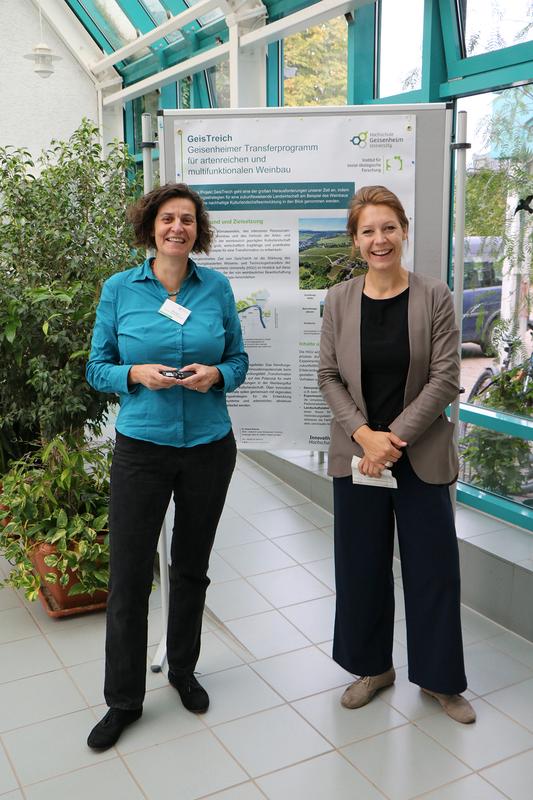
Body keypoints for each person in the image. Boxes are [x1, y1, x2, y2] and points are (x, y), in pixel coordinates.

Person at [85, 183, 248, 749]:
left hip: (208, 445)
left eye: (187, 220)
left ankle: (182, 669)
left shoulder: (218, 287)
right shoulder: (119, 289)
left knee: (191, 567)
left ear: (197, 230)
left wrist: (218, 375)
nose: (177, 228)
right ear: (150, 227)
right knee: (129, 577)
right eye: (167, 219)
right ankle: (123, 700)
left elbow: (239, 358)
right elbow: (96, 367)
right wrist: (134, 375)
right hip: (142, 448)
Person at [318, 185, 475, 724]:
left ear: (404, 231)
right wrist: (365, 436)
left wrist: (392, 439)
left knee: (433, 571)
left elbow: (446, 377)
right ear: (355, 240)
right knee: (360, 568)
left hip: (421, 454)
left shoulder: (435, 296)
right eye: (368, 230)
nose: (379, 239)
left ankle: (439, 679)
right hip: (358, 457)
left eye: (388, 228)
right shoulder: (339, 300)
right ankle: (372, 668)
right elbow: (328, 376)